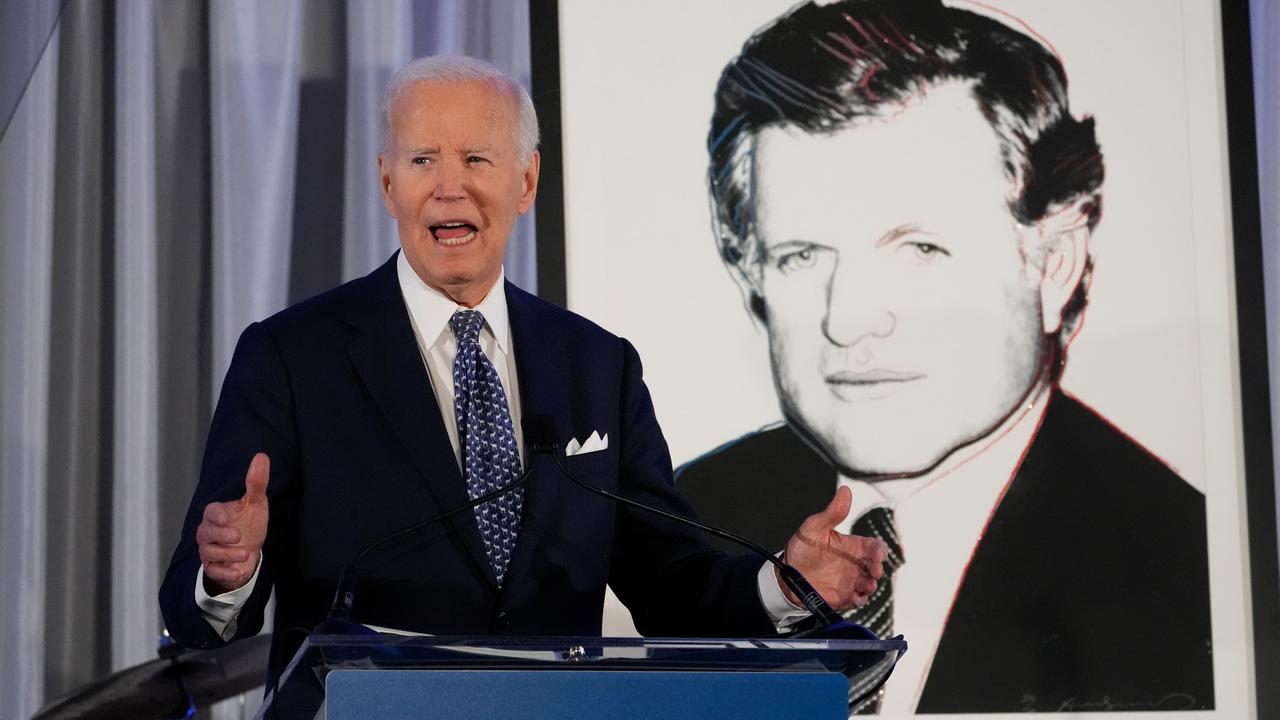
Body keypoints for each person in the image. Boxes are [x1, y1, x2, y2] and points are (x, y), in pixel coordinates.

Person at [158, 55, 889, 692]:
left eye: (477, 159)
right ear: (387, 184)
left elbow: (670, 580)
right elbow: (196, 615)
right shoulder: (293, 357)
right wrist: (227, 573)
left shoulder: (596, 365)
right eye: (422, 160)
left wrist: (782, 585)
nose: (449, 188)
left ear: (528, 180)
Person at [675, 0, 1212, 713]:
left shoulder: (1186, 571)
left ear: (1054, 266)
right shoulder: (689, 517)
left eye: (921, 249)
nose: (848, 318)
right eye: (802, 255)